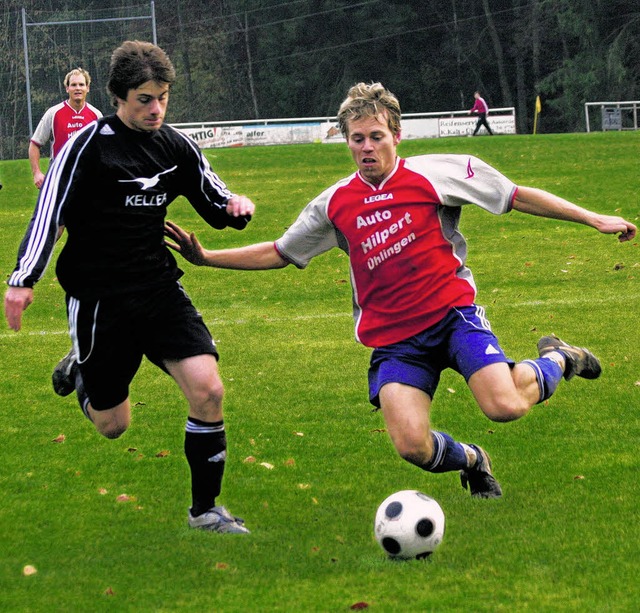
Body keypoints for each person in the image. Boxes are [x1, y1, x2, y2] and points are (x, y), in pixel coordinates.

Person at [164, 82, 636, 499]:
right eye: (357, 139)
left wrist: (591, 218)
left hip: (453, 316)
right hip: (394, 340)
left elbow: (516, 195)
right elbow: (281, 251)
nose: (367, 147)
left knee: (505, 406)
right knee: (411, 445)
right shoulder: (333, 203)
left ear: (396, 136)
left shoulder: (440, 172)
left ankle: (559, 358)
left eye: (376, 136)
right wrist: (207, 258)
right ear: (346, 141)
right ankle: (473, 461)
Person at [5, 41, 256, 533]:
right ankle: (81, 371)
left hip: (158, 289)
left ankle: (205, 511)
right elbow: (48, 212)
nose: (156, 107)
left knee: (208, 390)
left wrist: (235, 207)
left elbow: (214, 198)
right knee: (113, 426)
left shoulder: (176, 145)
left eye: (162, 96)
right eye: (145, 98)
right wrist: (23, 280)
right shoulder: (86, 147)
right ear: (120, 97)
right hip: (100, 299)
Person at [29, 67, 103, 189]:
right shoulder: (53, 113)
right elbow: (35, 144)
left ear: (87, 88)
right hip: (59, 176)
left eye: (81, 84)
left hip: (87, 177)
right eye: (73, 85)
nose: (78, 88)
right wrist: (36, 173)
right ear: (67, 88)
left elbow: (102, 149)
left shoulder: (96, 115)